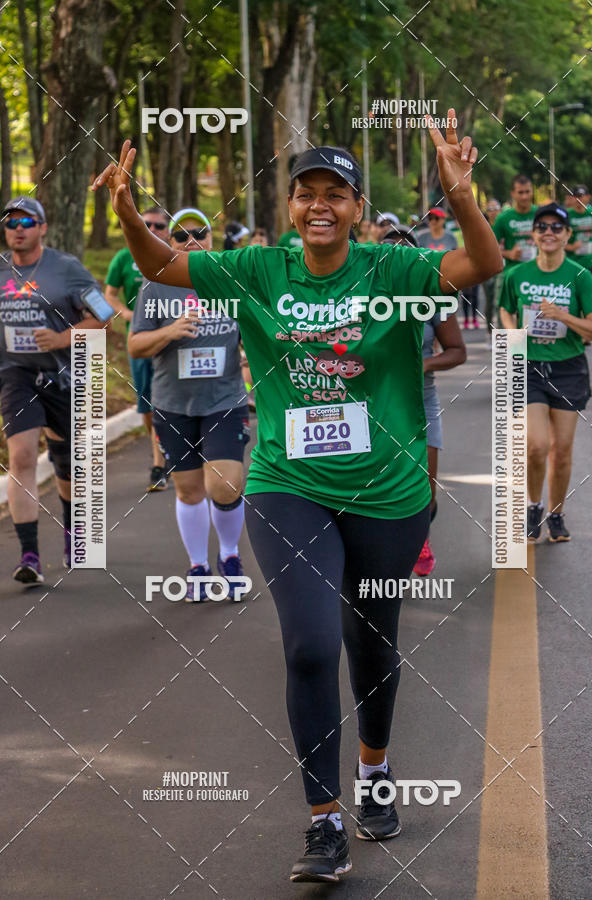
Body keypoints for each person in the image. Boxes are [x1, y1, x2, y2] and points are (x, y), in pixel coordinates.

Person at [94, 115, 502, 883]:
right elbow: (164, 265)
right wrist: (124, 213)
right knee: (310, 644)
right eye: (306, 193)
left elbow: (480, 263)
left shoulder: (391, 269)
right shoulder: (257, 270)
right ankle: (323, 822)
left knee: (371, 644)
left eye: (336, 195)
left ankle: (376, 772)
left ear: (355, 207)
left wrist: (460, 193)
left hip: (389, 491)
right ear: (288, 206)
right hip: (289, 486)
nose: (321, 205)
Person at [128, 209, 250, 600]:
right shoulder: (155, 285)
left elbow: (255, 330)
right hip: (173, 403)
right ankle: (198, 565)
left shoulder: (231, 279)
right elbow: (135, 345)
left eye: (201, 233)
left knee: (226, 485)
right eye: (181, 236)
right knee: (189, 491)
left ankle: (230, 557)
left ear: (213, 238)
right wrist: (170, 330)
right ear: (170, 242)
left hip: (224, 400)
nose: (191, 240)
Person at [0, 196, 108, 584]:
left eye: (27, 221)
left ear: (43, 228)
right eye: (11, 221)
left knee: (66, 463)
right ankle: (29, 555)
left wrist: (63, 338)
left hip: (63, 375)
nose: (18, 228)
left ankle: (72, 532)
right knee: (22, 457)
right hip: (17, 375)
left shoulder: (67, 269)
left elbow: (104, 318)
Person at [499, 202, 592, 542]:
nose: (549, 232)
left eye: (557, 227)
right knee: (537, 446)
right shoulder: (517, 275)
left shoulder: (580, 276)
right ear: (534, 233)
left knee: (562, 451)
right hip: (528, 367)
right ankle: (533, 506)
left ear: (568, 234)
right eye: (542, 226)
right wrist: (512, 333)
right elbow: (504, 309)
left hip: (568, 368)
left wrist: (563, 316)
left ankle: (556, 515)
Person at [381, 226, 466, 576]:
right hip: (376, 406)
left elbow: (457, 351)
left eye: (404, 253)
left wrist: (424, 364)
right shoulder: (359, 298)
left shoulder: (433, 296)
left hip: (421, 403)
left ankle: (421, 538)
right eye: (387, 253)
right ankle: (384, 552)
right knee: (378, 487)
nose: (395, 259)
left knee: (424, 489)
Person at [105, 206, 170, 491]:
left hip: (172, 338)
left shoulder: (171, 257)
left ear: (168, 230)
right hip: (141, 338)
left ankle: (160, 464)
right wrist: (128, 316)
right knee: (146, 403)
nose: (152, 231)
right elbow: (110, 294)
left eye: (158, 226)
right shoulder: (124, 257)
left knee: (164, 398)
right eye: (146, 225)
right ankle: (161, 451)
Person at [493, 174, 537, 270]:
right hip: (514, 271)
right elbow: (490, 249)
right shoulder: (503, 218)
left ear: (532, 192)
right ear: (512, 193)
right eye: (520, 192)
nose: (524, 196)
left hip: (539, 272)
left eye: (527, 191)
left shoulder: (541, 214)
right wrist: (509, 254)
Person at [565, 185, 592, 276]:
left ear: (588, 197)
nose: (578, 199)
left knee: (589, 288)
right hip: (572, 262)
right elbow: (559, 241)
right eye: (575, 196)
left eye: (580, 196)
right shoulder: (567, 215)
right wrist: (571, 247)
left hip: (590, 261)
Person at [482, 199, 502, 347]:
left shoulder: (504, 224)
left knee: (500, 301)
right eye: (490, 209)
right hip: (487, 267)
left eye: (496, 208)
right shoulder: (482, 225)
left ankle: (502, 334)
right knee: (490, 301)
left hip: (504, 267)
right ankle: (489, 332)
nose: (493, 211)